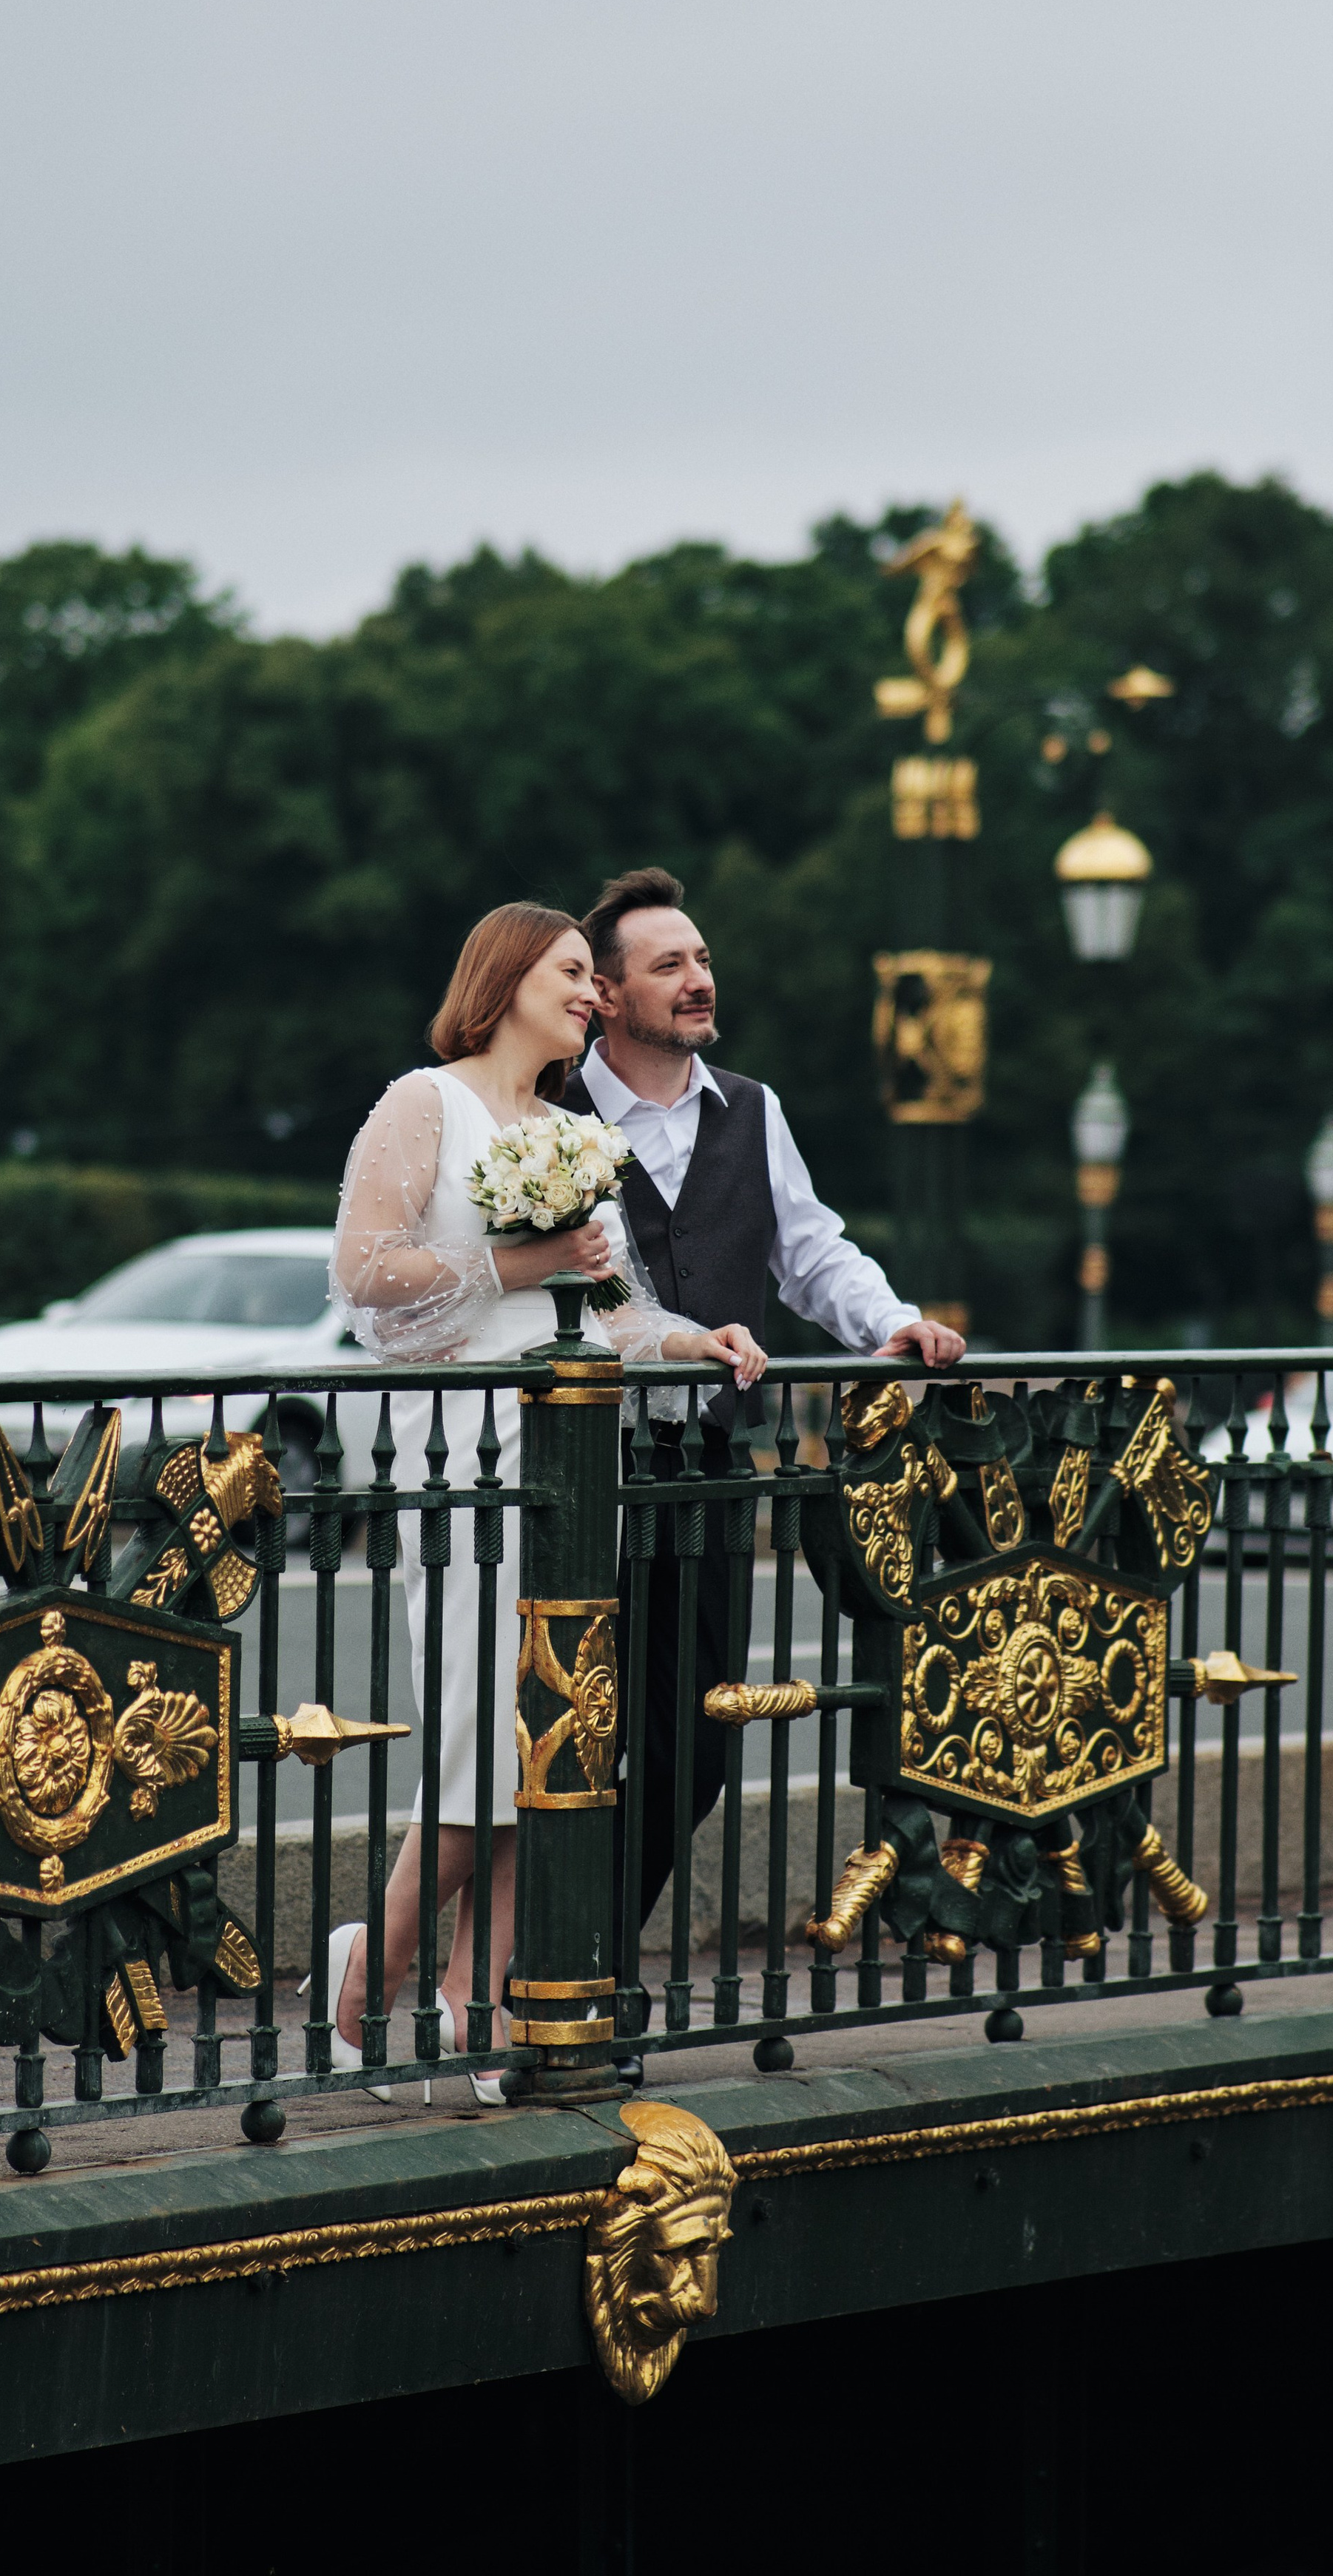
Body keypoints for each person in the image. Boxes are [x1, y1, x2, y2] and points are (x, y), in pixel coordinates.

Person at [326, 901, 764, 2098]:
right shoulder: (429, 1103)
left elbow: (614, 1314)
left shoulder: (564, 1129)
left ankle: (478, 2002)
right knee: (479, 1735)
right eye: (575, 974)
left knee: (553, 1732)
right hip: (464, 1453)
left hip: (576, 1467)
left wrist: (691, 1341)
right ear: (509, 975)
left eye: (591, 978)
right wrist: (527, 1263)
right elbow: (366, 1281)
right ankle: (374, 1968)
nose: (591, 995)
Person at [564, 865, 966, 1941]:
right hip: (575, 1471)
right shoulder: (545, 1114)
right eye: (670, 966)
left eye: (701, 960)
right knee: (566, 1742)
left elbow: (811, 1250)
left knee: (693, 1752)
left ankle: (580, 1968)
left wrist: (890, 1321)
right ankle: (563, 1986)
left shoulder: (751, 1108)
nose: (699, 980)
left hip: (702, 1472)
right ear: (605, 995)